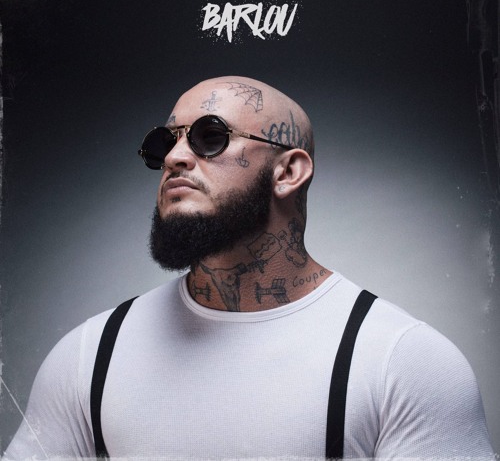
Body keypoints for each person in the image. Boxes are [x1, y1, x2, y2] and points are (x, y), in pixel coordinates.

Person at [5, 76, 495, 459]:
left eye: (210, 137)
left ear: (288, 171)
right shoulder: (91, 355)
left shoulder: (403, 361)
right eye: (164, 143)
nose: (175, 157)